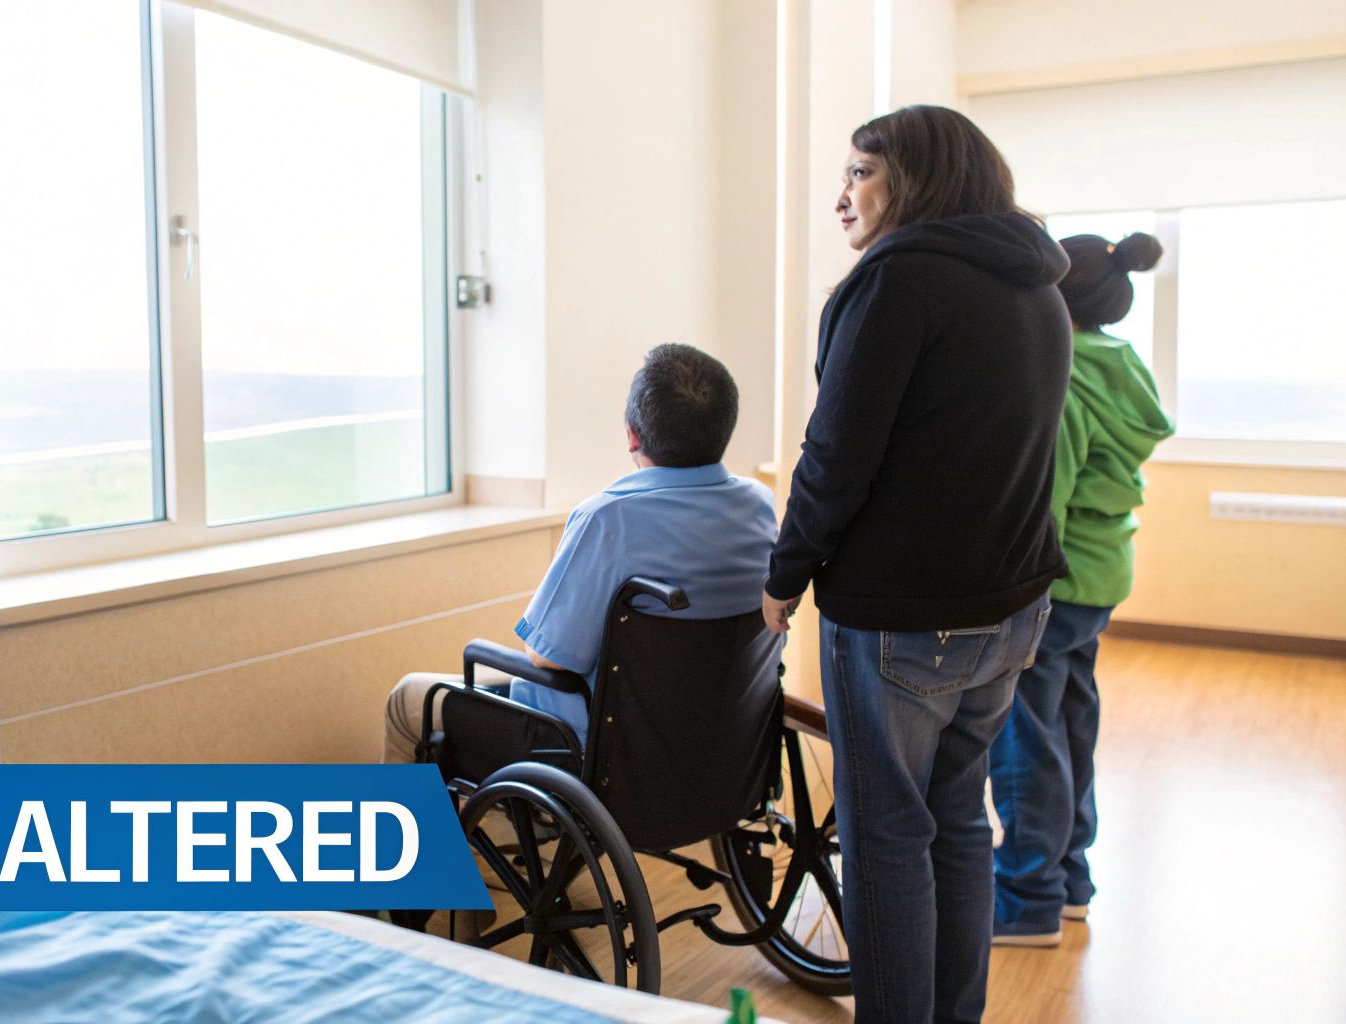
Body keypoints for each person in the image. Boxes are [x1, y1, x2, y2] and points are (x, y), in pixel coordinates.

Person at [760, 105, 1071, 1024]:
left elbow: (835, 457)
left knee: (890, 837)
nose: (841, 197)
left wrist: (784, 578)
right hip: (1012, 613)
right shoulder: (1038, 290)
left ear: (918, 178)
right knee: (960, 823)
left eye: (860, 172)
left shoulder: (897, 285)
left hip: (904, 620)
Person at [383, 343, 778, 765]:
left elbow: (547, 656)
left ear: (632, 434)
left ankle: (442, 828)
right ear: (725, 427)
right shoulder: (760, 505)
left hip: (585, 749)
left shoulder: (609, 519)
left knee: (409, 698)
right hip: (714, 749)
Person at [989, 233, 1173, 946]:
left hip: (1054, 582)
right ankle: (1070, 880)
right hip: (1100, 576)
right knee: (1069, 724)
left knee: (1025, 738)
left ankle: (1028, 899)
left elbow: (1043, 503)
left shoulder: (1062, 375)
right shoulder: (1122, 364)